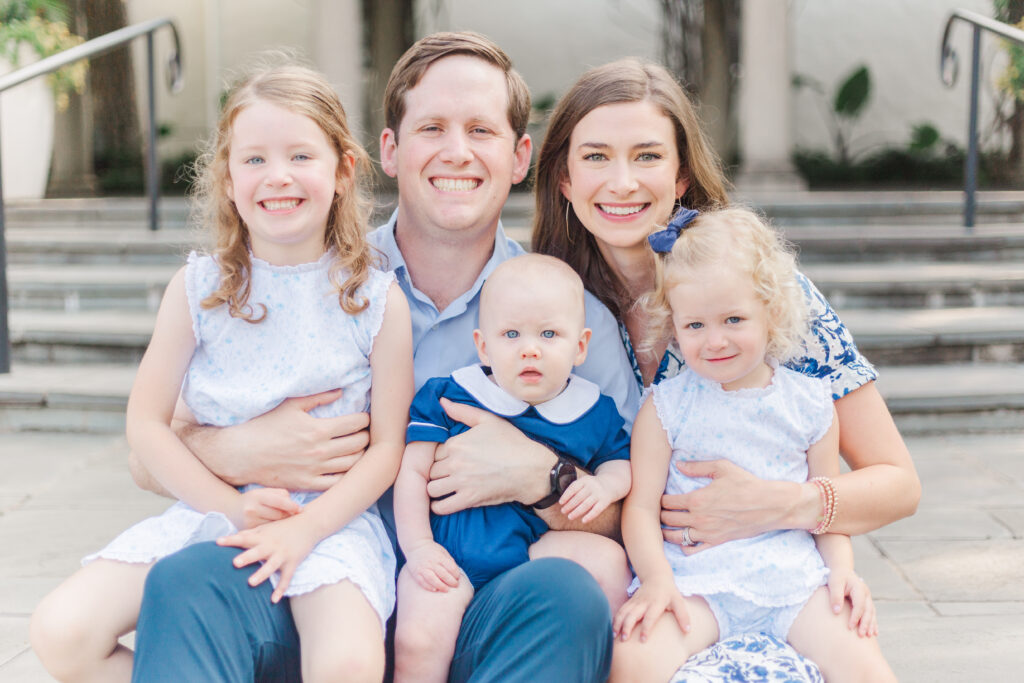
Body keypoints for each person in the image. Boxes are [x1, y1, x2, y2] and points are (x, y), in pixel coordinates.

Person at [125, 33, 639, 682]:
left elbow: (630, 506)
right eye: (432, 128)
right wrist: (237, 450)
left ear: (519, 156)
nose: (457, 151)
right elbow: (146, 455)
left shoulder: (570, 314)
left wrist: (544, 475)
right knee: (188, 578)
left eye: (481, 129)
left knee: (569, 593)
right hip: (313, 577)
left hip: (474, 600)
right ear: (389, 151)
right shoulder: (303, 274)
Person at [531, 58, 919, 680]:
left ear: (682, 176)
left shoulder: (759, 292)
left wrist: (777, 504)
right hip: (658, 579)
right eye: (597, 156)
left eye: (648, 156)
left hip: (778, 571)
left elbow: (898, 484)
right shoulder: (542, 306)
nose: (623, 181)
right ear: (564, 178)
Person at [30, 62, 414, 683]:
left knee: (347, 661)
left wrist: (307, 528)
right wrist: (227, 510)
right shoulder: (200, 289)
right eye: (254, 159)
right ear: (228, 180)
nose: (278, 176)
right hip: (216, 510)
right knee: (60, 631)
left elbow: (389, 447)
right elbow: (146, 424)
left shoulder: (375, 300)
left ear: (343, 171)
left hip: (330, 523)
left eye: (300, 156)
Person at [610, 206, 896, 683]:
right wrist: (657, 579)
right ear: (674, 325)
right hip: (696, 582)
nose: (714, 340)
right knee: (634, 658)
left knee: (864, 663)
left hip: (792, 585)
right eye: (695, 325)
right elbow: (639, 508)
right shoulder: (664, 407)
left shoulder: (809, 403)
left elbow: (828, 503)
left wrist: (842, 571)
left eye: (734, 319)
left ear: (773, 312)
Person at [394, 253, 632, 682]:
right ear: (483, 345)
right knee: (418, 639)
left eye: (548, 333)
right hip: (451, 555)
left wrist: (606, 486)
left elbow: (621, 463)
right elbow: (411, 473)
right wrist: (419, 547)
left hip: (533, 553)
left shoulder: (592, 411)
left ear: (580, 347)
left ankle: (605, 665)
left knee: (610, 562)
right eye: (511, 334)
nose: (530, 348)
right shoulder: (452, 396)